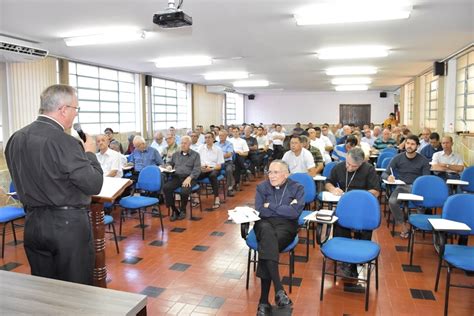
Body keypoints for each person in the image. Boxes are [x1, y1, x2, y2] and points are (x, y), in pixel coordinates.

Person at [5, 84, 103, 285]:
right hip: (67, 226)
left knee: (46, 288)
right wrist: (90, 153)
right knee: (76, 288)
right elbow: (94, 184)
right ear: (63, 109)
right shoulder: (65, 142)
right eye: (76, 109)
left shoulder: (15, 138)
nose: (76, 114)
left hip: (32, 223)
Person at [254, 160, 304, 315]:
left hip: (286, 226)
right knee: (268, 238)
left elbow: (294, 213)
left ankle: (263, 302)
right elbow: (260, 210)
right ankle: (279, 289)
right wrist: (284, 209)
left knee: (267, 247)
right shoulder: (262, 187)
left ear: (286, 174)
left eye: (276, 172)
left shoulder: (297, 188)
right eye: (270, 172)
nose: (272, 175)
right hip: (264, 224)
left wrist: (272, 206)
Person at [325, 148, 380, 277]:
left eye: (353, 166)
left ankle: (359, 258)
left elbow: (376, 191)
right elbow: (328, 182)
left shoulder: (369, 169)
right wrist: (333, 189)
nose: (349, 167)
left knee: (365, 229)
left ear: (360, 164)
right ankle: (344, 259)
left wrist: (357, 196)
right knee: (339, 223)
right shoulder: (339, 167)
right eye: (347, 164)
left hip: (363, 207)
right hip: (344, 207)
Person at [382, 135, 431, 238]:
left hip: (417, 188)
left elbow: (426, 179)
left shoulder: (423, 161)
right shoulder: (397, 158)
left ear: (417, 146)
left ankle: (418, 224)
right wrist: (389, 177)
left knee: (422, 203)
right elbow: (384, 174)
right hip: (401, 187)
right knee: (392, 201)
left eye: (412, 144)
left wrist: (418, 187)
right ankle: (403, 226)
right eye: (408, 143)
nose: (409, 146)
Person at [163, 136, 201, 221]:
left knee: (184, 191)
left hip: (190, 178)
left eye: (185, 143)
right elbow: (170, 163)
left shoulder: (195, 155)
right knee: (166, 188)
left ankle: (183, 210)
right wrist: (169, 166)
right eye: (182, 143)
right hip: (177, 177)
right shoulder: (176, 154)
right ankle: (174, 210)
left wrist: (190, 177)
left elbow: (197, 169)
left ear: (189, 144)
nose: (183, 145)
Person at [198, 132, 225, 209]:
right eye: (206, 138)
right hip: (203, 168)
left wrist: (210, 169)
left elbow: (219, 166)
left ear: (213, 139)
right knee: (194, 174)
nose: (207, 139)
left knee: (212, 175)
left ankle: (216, 198)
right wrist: (201, 167)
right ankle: (195, 196)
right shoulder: (201, 148)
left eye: (209, 137)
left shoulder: (218, 149)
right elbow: (197, 161)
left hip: (214, 168)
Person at [216, 129, 236, 196]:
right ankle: (215, 187)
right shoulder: (215, 144)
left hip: (227, 162)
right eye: (219, 135)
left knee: (229, 170)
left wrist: (218, 156)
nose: (220, 137)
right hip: (218, 162)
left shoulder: (229, 144)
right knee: (212, 171)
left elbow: (228, 154)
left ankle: (230, 188)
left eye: (222, 135)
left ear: (226, 136)